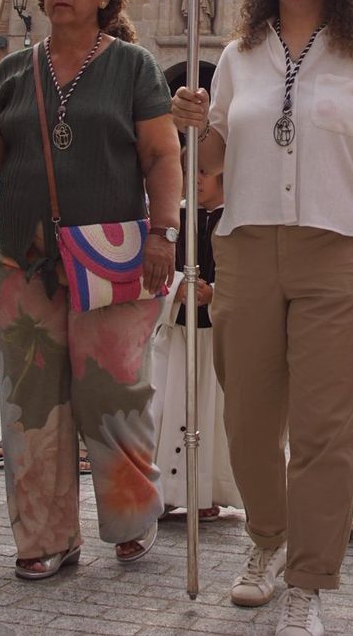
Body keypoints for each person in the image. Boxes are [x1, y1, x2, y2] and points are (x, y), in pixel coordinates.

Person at [170, 0, 353, 636]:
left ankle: (308, 579)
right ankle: (266, 539)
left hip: (337, 245)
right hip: (245, 244)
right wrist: (194, 130)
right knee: (247, 417)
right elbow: (211, 168)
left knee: (326, 426)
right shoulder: (240, 54)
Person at [0, 0, 180, 579]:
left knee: (112, 394)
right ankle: (45, 536)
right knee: (30, 405)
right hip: (24, 257)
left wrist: (164, 232)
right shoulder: (13, 71)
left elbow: (162, 155)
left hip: (111, 257)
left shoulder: (133, 66)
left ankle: (132, 518)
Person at [149, 159, 239, 520]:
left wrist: (214, 293)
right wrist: (177, 292)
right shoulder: (175, 218)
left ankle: (206, 492)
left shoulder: (235, 220)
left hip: (217, 334)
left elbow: (249, 273)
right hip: (178, 332)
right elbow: (154, 268)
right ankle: (167, 491)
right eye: (190, 171)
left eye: (205, 172)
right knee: (169, 407)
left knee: (212, 413)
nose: (196, 180)